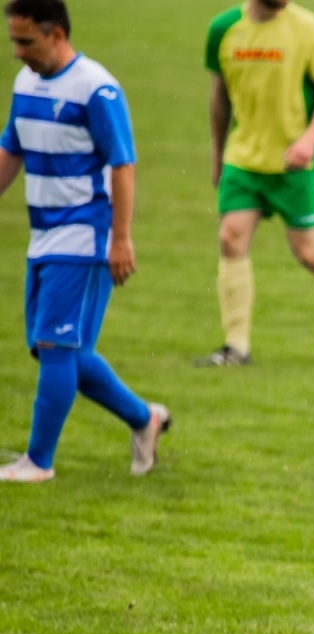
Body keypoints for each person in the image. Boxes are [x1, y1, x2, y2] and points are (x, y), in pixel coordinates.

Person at [0, 0, 168, 484]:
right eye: (13, 40)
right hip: (43, 235)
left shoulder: (96, 88)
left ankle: (38, 461)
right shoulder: (25, 83)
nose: (17, 52)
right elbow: (12, 146)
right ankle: (144, 418)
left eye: (26, 41)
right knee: (59, 349)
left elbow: (124, 163)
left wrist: (121, 239)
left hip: (83, 235)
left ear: (56, 35)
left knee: (56, 344)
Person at [198, 0, 314, 367]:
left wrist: (309, 139)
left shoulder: (307, 27)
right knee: (230, 238)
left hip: (296, 163)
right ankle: (236, 347)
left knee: (310, 254)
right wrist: (218, 153)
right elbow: (219, 95)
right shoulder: (223, 29)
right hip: (244, 159)